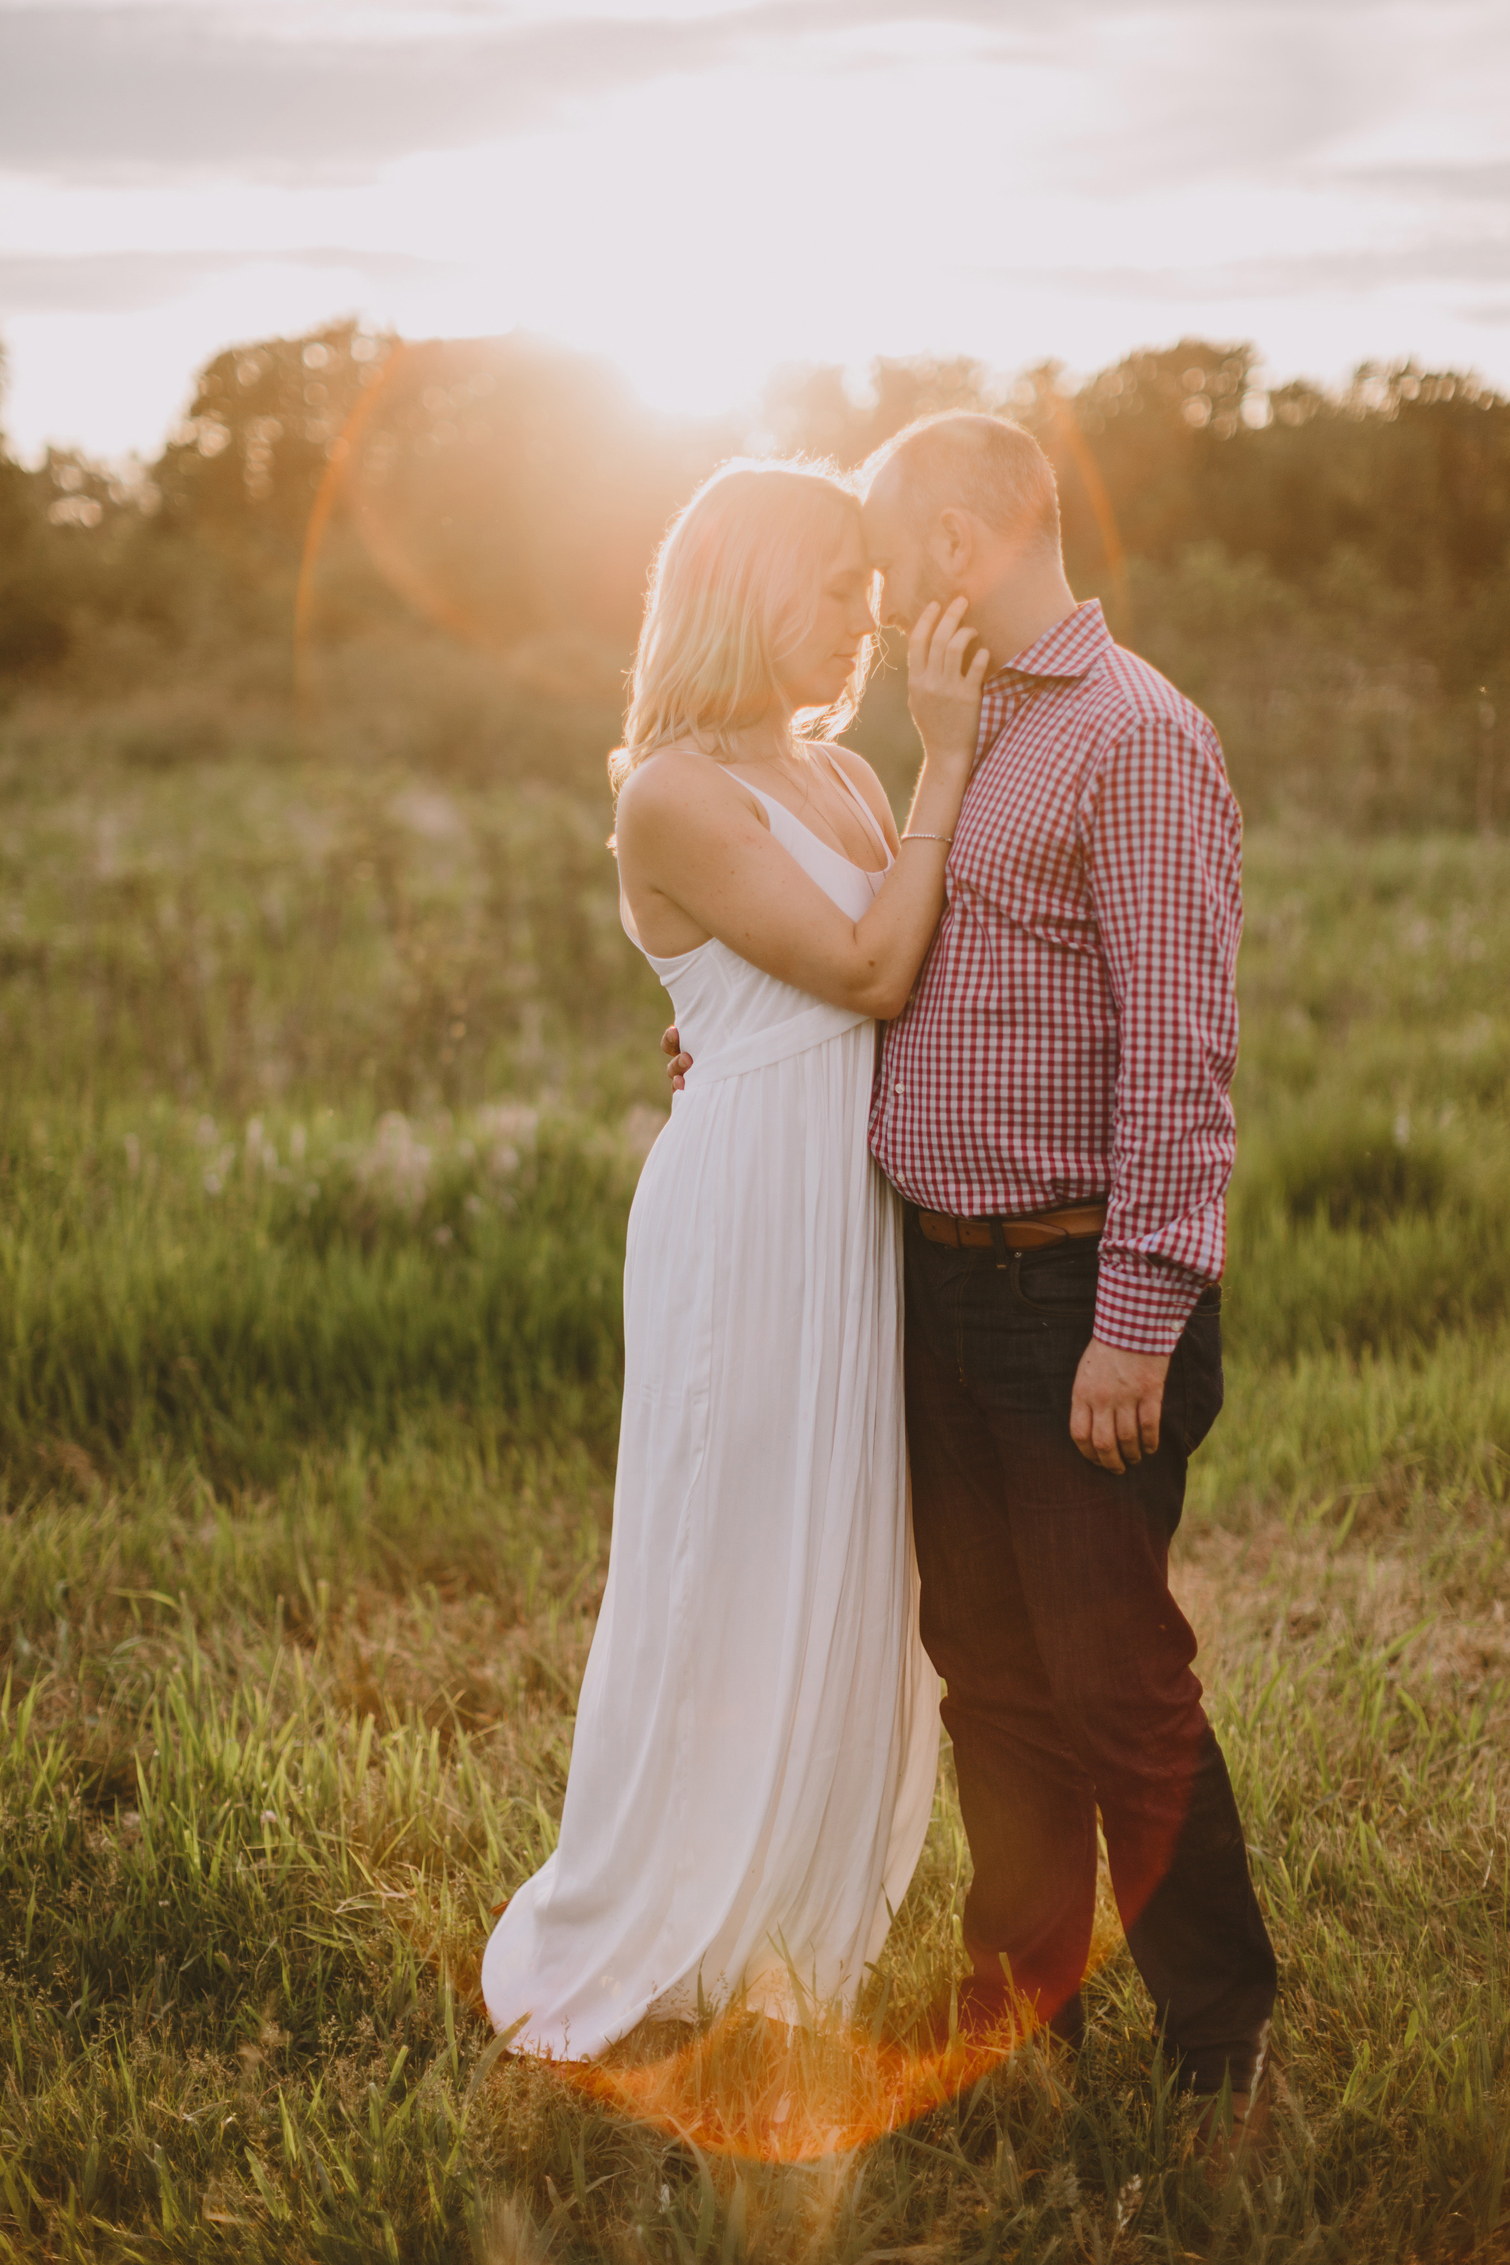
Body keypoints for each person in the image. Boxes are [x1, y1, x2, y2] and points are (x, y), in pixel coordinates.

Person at [666, 414, 1277, 2128]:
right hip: (933, 1284)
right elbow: (895, 965)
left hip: (1072, 1291)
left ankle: (1220, 2037)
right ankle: (1018, 2008)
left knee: (1113, 1684)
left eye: (880, 550)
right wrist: (732, 1047)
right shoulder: (964, 725)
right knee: (990, 1674)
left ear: (955, 542)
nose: (865, 592)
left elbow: (1178, 1055)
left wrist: (1136, 1316)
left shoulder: (1135, 739)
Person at [481, 459, 991, 2058]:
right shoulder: (673, 789)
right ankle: (663, 1910)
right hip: (747, 1216)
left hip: (854, 1215)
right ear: (737, 585)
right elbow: (861, 962)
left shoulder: (831, 776)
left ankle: (792, 1906)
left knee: (846, 1554)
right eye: (832, 586)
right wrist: (949, 764)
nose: (865, 616)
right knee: (729, 1551)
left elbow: (881, 965)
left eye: (868, 585)